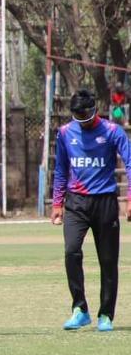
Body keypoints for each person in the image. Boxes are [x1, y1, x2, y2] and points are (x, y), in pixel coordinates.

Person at [51, 89, 131, 333]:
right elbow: (61, 169)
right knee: (71, 251)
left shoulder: (112, 131)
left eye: (85, 116)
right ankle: (80, 309)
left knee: (108, 260)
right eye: (77, 117)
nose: (82, 122)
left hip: (105, 201)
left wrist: (130, 199)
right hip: (76, 203)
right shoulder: (65, 133)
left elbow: (129, 162)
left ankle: (105, 314)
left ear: (94, 110)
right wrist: (57, 203)